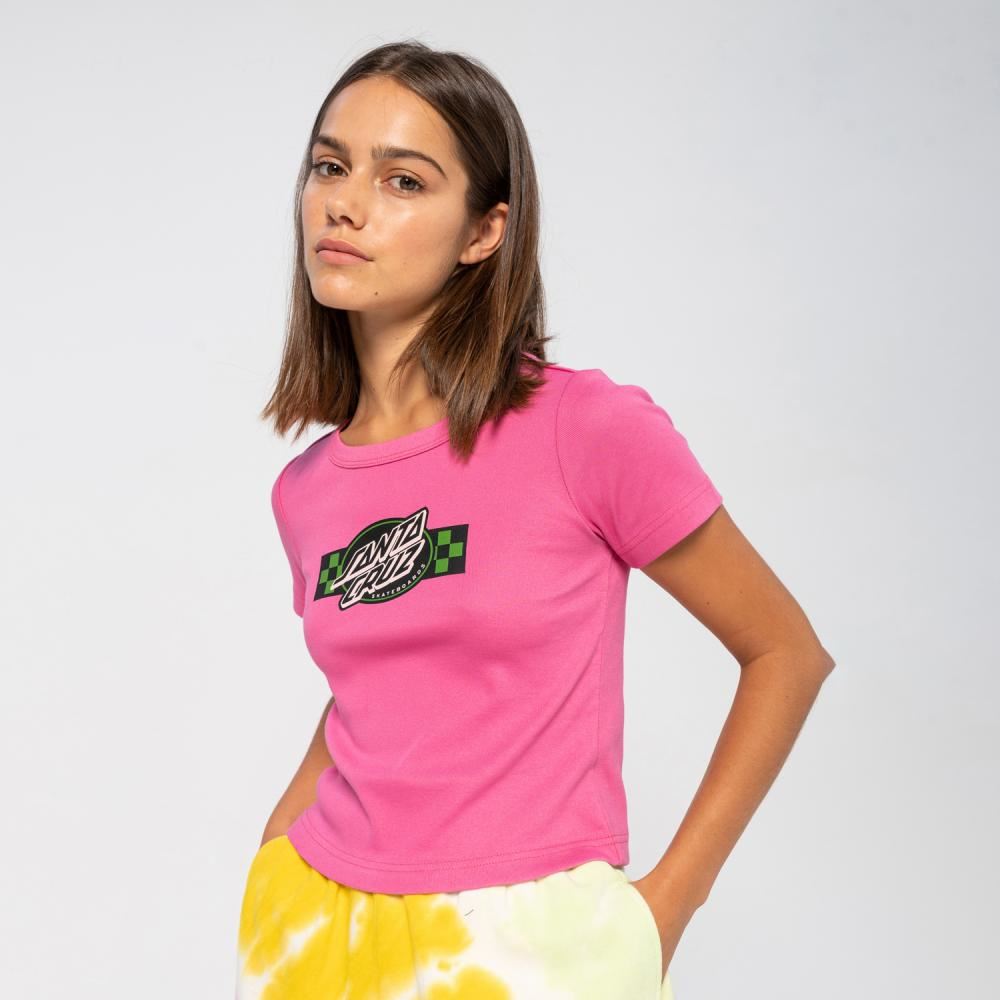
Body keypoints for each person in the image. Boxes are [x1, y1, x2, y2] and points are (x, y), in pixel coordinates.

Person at [236, 40, 836, 1000]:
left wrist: (664, 909)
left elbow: (786, 653)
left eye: (403, 180)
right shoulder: (307, 490)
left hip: (527, 945)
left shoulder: (582, 429)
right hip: (316, 928)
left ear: (485, 231)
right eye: (329, 166)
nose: (345, 204)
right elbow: (374, 689)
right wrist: (276, 853)